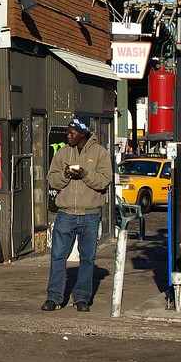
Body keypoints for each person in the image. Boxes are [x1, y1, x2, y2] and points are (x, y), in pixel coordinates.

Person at [41, 115, 112, 313]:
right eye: (67, 131)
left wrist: (84, 174)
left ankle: (82, 298)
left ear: (82, 133)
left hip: (90, 215)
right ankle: (53, 298)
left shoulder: (100, 153)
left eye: (71, 132)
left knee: (87, 258)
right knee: (57, 256)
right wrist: (65, 174)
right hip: (65, 214)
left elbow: (105, 180)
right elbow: (52, 180)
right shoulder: (63, 153)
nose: (68, 135)